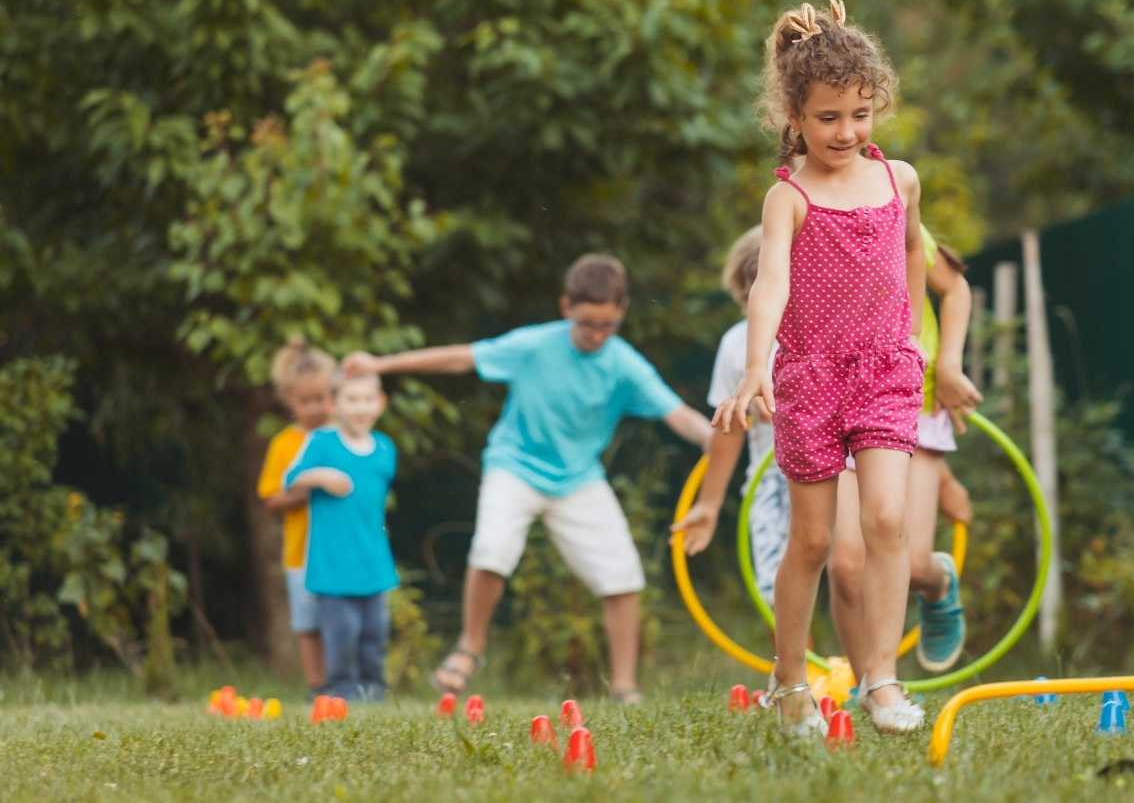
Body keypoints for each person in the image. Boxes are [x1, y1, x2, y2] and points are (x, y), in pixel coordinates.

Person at [343, 253, 711, 703]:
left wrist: (718, 440)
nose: (596, 335)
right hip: (513, 467)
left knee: (624, 577)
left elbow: (679, 416)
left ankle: (624, 686)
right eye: (587, 324)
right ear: (565, 308)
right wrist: (382, 365)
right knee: (492, 550)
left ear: (622, 314)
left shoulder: (625, 365)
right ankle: (469, 647)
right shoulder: (536, 346)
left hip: (578, 479)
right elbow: (461, 358)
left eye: (607, 326)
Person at [713, 0, 927, 736]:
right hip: (810, 375)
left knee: (888, 519)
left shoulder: (899, 180)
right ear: (795, 116)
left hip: (885, 371)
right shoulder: (790, 195)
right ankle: (790, 678)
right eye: (830, 117)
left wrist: (916, 336)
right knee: (811, 542)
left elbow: (912, 253)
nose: (848, 131)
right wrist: (755, 367)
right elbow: (770, 283)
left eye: (862, 114)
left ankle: (882, 680)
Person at [830, 233, 982, 675]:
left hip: (914, 402)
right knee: (846, 565)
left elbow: (954, 288)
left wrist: (950, 363)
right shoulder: (801, 219)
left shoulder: (890, 211)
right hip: (840, 408)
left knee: (912, 564)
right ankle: (869, 687)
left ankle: (938, 585)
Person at [671, 227, 788, 604]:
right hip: (772, 480)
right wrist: (708, 504)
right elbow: (728, 430)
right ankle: (794, 662)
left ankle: (865, 661)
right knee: (776, 590)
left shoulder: (824, 332)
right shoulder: (737, 345)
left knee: (850, 571)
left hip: (839, 469)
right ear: (744, 286)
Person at [285, 370, 398, 702]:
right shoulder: (322, 442)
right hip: (332, 563)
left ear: (380, 404)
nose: (360, 408)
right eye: (351, 400)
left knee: (374, 633)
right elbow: (291, 478)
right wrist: (320, 476)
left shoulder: (384, 449)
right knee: (342, 632)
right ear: (335, 405)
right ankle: (341, 689)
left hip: (373, 560)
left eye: (366, 400)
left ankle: (374, 688)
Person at [256, 338, 335, 694]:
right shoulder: (284, 445)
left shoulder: (342, 438)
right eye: (307, 401)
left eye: (322, 398)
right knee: (308, 625)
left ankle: (346, 683)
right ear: (291, 402)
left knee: (342, 621)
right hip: (301, 553)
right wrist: (301, 493)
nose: (317, 408)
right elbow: (271, 497)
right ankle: (317, 687)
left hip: (341, 551)